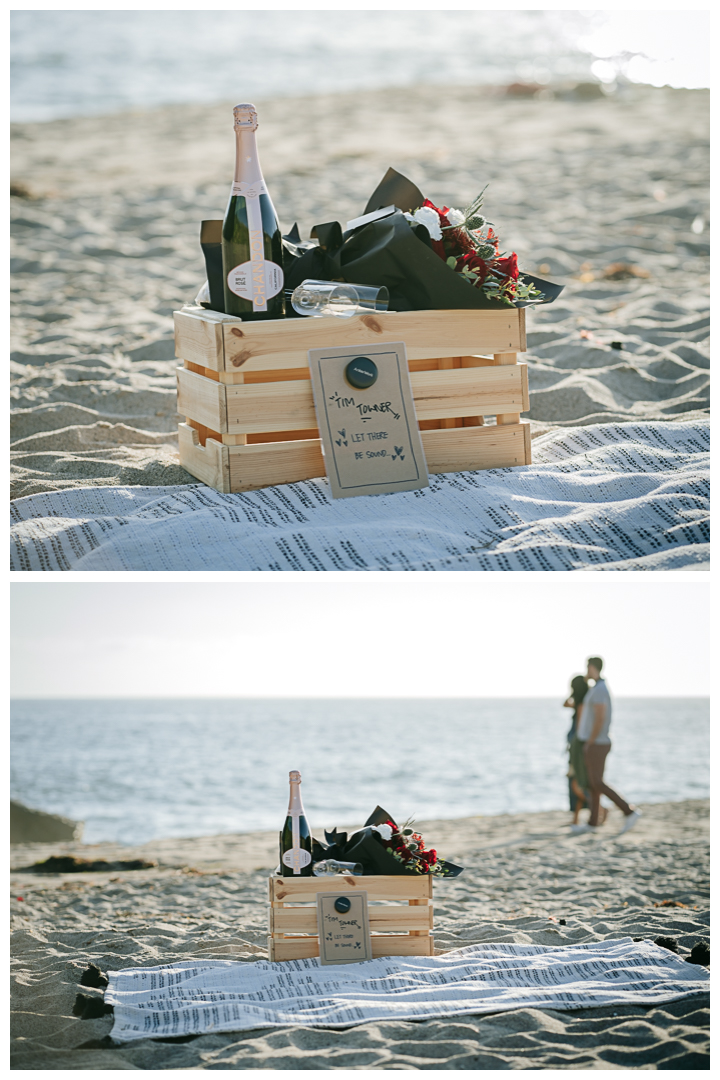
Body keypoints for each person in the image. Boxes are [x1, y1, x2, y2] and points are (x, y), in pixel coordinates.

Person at [573, 657, 642, 835]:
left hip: (597, 742)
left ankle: (629, 811)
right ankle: (593, 822)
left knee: (596, 782)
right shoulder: (597, 688)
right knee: (594, 784)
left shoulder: (600, 689)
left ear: (591, 667)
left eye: (587, 667)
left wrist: (590, 741)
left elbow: (600, 717)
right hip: (597, 741)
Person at [563, 675, 590, 824]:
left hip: (577, 748)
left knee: (576, 782)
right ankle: (575, 818)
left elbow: (579, 730)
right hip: (576, 746)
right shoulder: (581, 702)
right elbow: (565, 704)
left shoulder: (581, 705)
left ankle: (598, 808)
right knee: (576, 782)